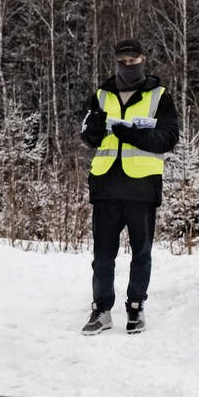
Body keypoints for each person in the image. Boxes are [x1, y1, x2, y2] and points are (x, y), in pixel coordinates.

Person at [78, 39, 180, 334]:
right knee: (102, 256)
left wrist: (133, 136)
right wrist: (95, 129)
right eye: (123, 60)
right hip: (106, 184)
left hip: (142, 187)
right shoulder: (101, 94)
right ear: (115, 61)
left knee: (142, 254)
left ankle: (136, 308)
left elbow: (168, 138)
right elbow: (89, 137)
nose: (128, 65)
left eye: (133, 61)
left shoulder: (160, 96)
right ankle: (101, 311)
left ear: (143, 60)